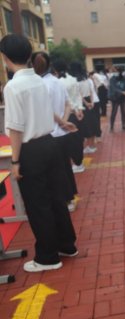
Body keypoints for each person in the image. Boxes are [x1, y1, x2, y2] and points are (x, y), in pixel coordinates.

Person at [1, 34, 78, 272]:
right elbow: (45, 109)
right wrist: (61, 123)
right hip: (50, 143)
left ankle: (47, 257)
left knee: (38, 204)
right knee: (57, 199)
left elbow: (15, 128)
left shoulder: (13, 86)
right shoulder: (38, 79)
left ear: (5, 57)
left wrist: (14, 161)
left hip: (30, 150)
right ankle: (67, 244)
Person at [31, 52, 79, 211]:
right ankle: (71, 196)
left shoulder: (40, 85)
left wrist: (61, 122)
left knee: (57, 171)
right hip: (63, 133)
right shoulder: (57, 81)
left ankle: (67, 199)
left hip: (52, 133)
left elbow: (47, 110)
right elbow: (67, 104)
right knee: (66, 167)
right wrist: (65, 122)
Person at [53, 60, 86, 174]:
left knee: (67, 141)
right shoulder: (73, 79)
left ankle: (74, 164)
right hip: (75, 114)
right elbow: (77, 96)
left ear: (55, 70)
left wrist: (74, 110)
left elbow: (67, 101)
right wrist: (79, 109)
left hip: (64, 116)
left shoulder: (58, 82)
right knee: (77, 140)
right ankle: (79, 163)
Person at [108, 68, 125, 132]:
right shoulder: (112, 79)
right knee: (114, 112)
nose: (115, 73)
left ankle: (123, 126)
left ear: (120, 72)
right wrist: (122, 92)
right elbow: (113, 88)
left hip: (122, 98)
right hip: (115, 98)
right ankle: (111, 127)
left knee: (123, 112)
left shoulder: (123, 78)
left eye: (116, 71)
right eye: (114, 71)